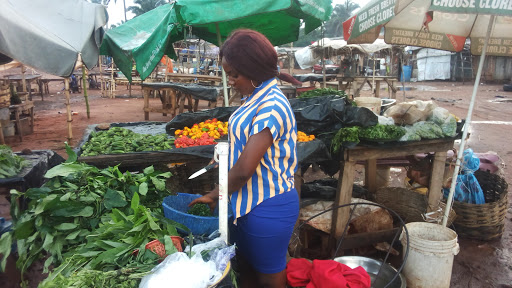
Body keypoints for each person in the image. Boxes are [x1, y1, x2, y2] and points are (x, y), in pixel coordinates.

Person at [189, 29, 299, 288]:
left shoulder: (271, 106)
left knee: (270, 279)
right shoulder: (254, 97)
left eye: (234, 75)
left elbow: (243, 172)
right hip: (244, 205)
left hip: (267, 208)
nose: (231, 82)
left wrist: (216, 193)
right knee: (246, 273)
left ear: (255, 70)